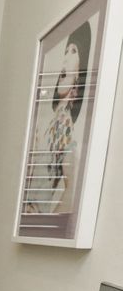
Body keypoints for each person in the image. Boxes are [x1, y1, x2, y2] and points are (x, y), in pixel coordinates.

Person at [24, 20, 91, 215]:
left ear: (80, 73)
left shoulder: (65, 128)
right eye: (65, 52)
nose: (65, 60)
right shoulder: (47, 121)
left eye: (74, 52)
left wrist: (44, 220)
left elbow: (71, 190)